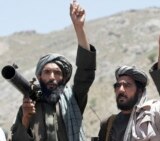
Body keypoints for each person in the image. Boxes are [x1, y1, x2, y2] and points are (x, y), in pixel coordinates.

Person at [10, 1, 96, 141]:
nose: (52, 77)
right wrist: (25, 118)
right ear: (39, 76)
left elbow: (86, 72)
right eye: (47, 72)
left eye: (57, 73)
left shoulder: (74, 98)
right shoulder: (29, 106)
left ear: (64, 78)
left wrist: (79, 28)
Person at [98, 65, 160, 141]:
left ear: (139, 91)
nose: (121, 90)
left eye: (127, 85)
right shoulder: (108, 125)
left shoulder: (154, 116)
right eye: (118, 86)